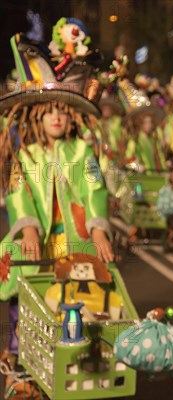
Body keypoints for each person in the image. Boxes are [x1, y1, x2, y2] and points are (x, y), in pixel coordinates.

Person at [0, 26, 113, 392]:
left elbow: (95, 187)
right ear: (36, 115)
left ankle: (76, 360)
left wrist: (97, 228)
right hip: (36, 242)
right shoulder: (26, 154)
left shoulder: (82, 152)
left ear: (73, 117)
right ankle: (21, 366)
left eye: (63, 112)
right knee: (25, 291)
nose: (57, 118)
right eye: (49, 112)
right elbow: (18, 191)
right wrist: (28, 226)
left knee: (78, 298)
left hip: (73, 239)